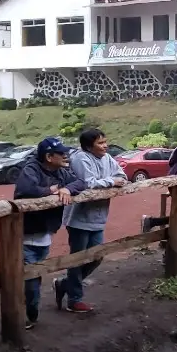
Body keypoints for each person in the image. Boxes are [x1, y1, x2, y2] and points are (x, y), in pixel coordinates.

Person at [14, 137, 86, 329]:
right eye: (61, 153)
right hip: (25, 236)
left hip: (44, 236)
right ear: (48, 156)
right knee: (30, 281)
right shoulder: (31, 169)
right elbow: (26, 190)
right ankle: (28, 316)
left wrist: (66, 189)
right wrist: (51, 190)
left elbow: (80, 182)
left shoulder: (61, 171)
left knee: (35, 277)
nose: (65, 156)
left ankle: (29, 313)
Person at [55, 128, 127, 313]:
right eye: (100, 143)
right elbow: (88, 182)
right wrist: (111, 181)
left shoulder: (108, 158)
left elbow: (122, 176)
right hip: (79, 217)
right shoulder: (81, 158)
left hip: (99, 216)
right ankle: (74, 300)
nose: (105, 146)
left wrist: (110, 180)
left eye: (105, 142)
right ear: (88, 146)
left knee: (96, 256)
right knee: (78, 258)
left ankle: (64, 284)